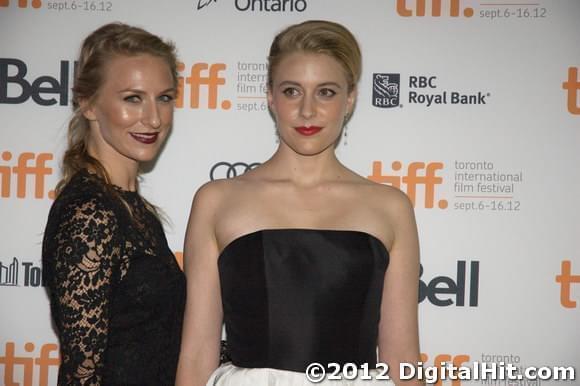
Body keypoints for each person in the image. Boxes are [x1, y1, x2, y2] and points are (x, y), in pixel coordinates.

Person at [176, 20, 422, 386]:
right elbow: (197, 355)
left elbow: (402, 359)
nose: (307, 111)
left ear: (350, 98)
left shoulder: (390, 207)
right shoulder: (216, 201)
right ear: (271, 97)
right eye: (292, 91)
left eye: (325, 92)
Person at [42, 22, 185, 385]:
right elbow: (83, 373)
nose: (154, 118)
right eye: (132, 98)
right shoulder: (91, 213)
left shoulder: (131, 210)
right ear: (88, 103)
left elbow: (154, 344)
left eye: (164, 97)